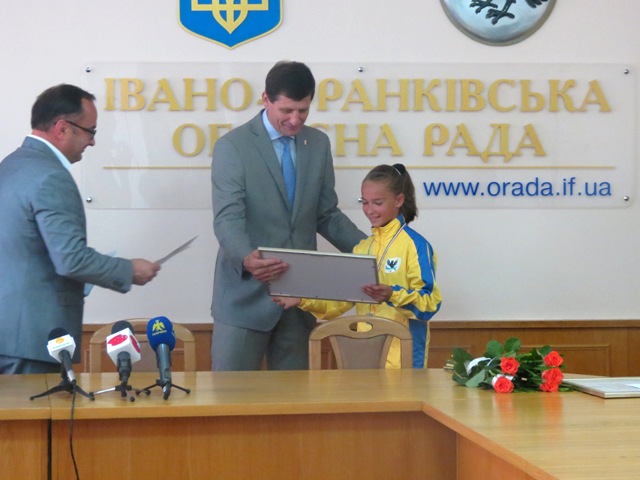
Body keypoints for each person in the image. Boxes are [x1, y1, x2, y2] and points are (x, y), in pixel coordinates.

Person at [211, 61, 366, 371]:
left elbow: (326, 213)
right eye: (287, 111)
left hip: (299, 299)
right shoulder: (233, 147)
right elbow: (228, 218)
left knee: (295, 397)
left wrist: (373, 251)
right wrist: (246, 257)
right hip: (244, 298)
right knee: (230, 396)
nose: (295, 120)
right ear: (265, 99)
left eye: (303, 111)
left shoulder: (318, 144)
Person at [0, 84, 161, 374]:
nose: (93, 142)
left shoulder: (11, 166)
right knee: (38, 407)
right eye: (90, 131)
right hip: (33, 340)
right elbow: (71, 259)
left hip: (10, 335)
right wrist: (128, 270)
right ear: (62, 128)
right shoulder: (50, 176)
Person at [274, 164, 442, 368]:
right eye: (364, 202)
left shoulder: (415, 246)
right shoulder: (362, 249)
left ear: (399, 200)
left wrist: (392, 295)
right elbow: (339, 303)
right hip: (365, 356)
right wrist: (302, 299)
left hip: (404, 359)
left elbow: (430, 304)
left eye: (377, 203)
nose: (369, 210)